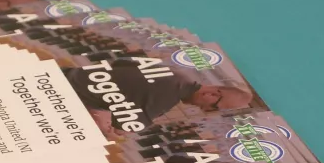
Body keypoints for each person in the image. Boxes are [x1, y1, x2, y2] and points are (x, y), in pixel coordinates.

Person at [73, 57, 255, 137]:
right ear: (212, 93)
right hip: (69, 96)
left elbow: (121, 63)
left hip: (71, 74)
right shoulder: (169, 96)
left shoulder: (174, 73)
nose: (207, 111)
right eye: (214, 106)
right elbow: (124, 128)